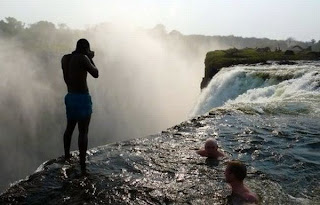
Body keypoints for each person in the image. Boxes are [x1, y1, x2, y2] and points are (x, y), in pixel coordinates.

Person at [61, 38, 99, 172]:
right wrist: (90, 57)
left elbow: (66, 77)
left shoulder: (65, 58)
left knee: (69, 128)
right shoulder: (83, 58)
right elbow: (96, 73)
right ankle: (83, 164)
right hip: (82, 97)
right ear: (86, 48)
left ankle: (67, 155)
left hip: (70, 96)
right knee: (83, 132)